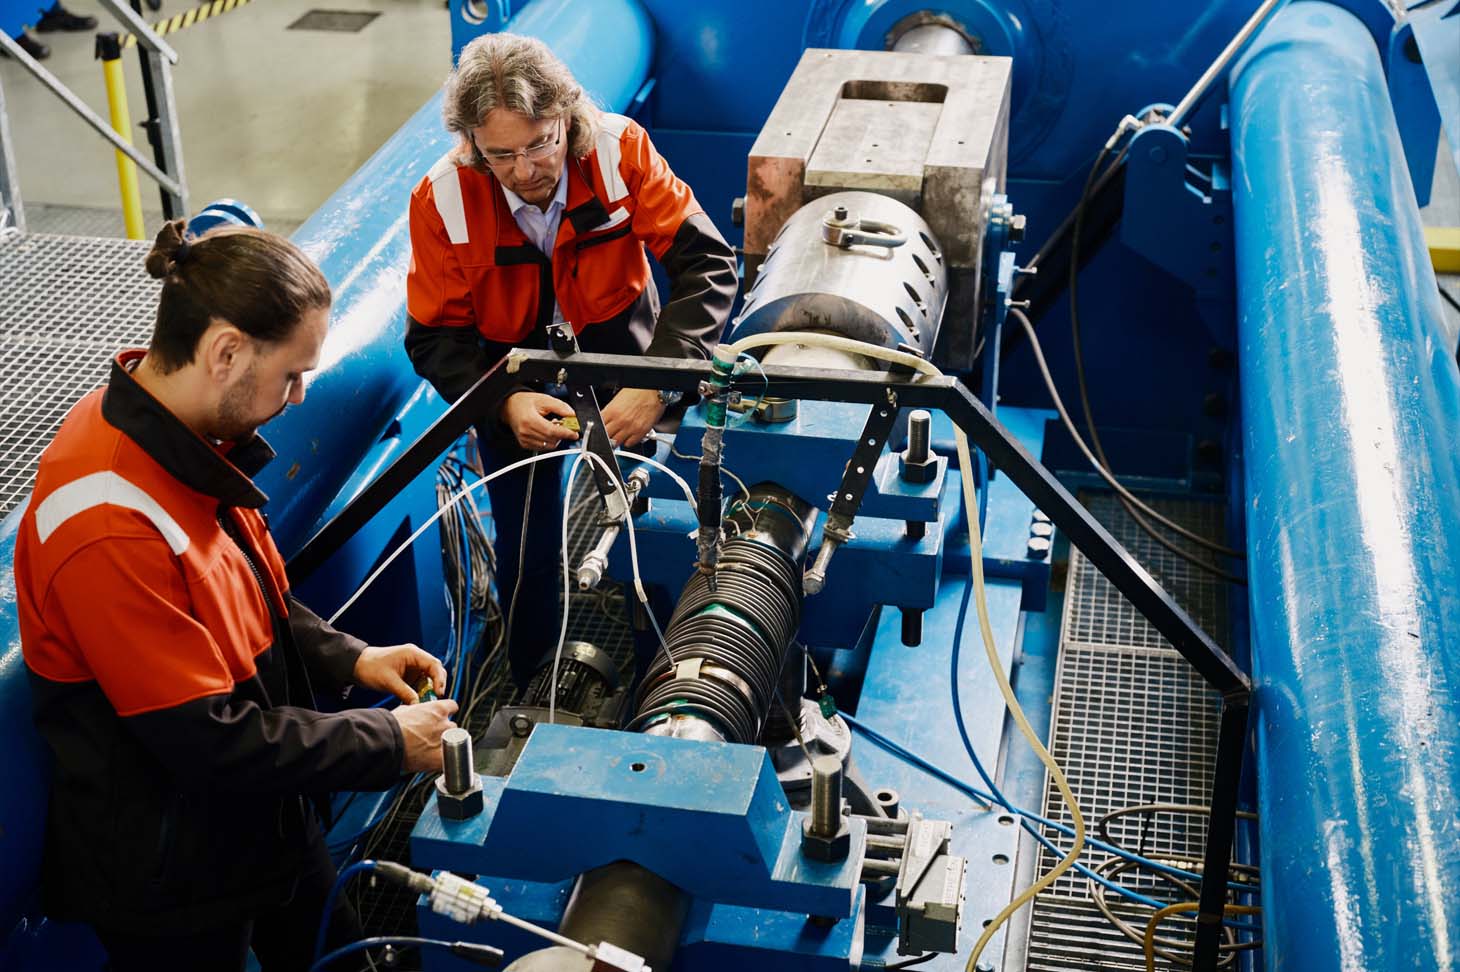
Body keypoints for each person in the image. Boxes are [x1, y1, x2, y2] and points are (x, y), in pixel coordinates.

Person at [15, 220, 460, 972]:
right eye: (290, 374)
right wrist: (386, 741)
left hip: (263, 816)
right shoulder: (106, 524)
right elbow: (207, 739)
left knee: (342, 958)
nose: (298, 397)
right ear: (224, 351)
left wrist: (353, 659)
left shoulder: (177, 439)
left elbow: (247, 595)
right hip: (175, 871)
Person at [404, 33, 737, 688]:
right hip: (513, 371)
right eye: (501, 155)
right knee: (525, 550)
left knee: (657, 523)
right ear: (471, 143)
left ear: (566, 116)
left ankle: (667, 682)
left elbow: (707, 263)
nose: (525, 170)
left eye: (539, 144)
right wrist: (502, 402)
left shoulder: (619, 151)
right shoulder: (440, 200)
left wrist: (659, 385)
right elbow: (433, 337)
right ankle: (530, 684)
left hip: (627, 350)